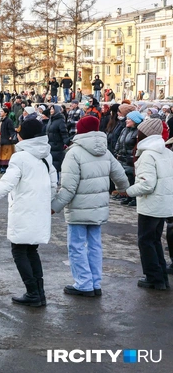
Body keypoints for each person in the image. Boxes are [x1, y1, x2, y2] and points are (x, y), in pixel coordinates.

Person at [51, 116, 130, 297]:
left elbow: (69, 188)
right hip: (98, 207)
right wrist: (124, 190)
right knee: (95, 245)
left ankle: (83, 283)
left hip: (79, 208)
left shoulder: (74, 153)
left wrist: (54, 206)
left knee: (77, 246)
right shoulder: (105, 151)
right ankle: (95, 282)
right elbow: (120, 175)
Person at [0, 119, 58, 307]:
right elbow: (53, 183)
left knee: (19, 250)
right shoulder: (46, 155)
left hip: (23, 210)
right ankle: (39, 292)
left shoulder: (20, 157)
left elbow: (7, 183)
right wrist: (46, 201)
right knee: (31, 250)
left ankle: (32, 292)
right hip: (39, 209)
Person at [126, 119, 173, 291]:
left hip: (151, 204)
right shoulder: (167, 152)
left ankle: (153, 277)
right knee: (154, 240)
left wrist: (128, 191)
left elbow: (147, 184)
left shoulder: (148, 155)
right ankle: (160, 278)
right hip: (164, 204)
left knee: (146, 241)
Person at [115, 110, 142, 206]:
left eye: (129, 119)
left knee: (132, 179)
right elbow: (119, 141)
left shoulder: (138, 131)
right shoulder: (125, 129)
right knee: (126, 178)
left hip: (131, 159)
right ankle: (128, 196)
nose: (126, 121)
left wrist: (131, 156)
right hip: (122, 157)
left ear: (135, 120)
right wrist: (117, 151)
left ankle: (134, 198)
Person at [46, 105, 69, 179]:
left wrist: (66, 142)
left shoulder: (60, 120)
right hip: (50, 145)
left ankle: (56, 181)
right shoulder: (51, 119)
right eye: (51, 109)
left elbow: (64, 132)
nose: (51, 110)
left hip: (57, 145)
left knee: (56, 165)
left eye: (53, 109)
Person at [0, 107, 16, 174]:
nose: (0, 113)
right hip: (1, 138)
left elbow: (11, 129)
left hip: (7, 139)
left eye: (2, 111)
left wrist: (11, 136)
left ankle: (5, 167)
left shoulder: (8, 121)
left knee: (7, 154)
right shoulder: (1, 120)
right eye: (0, 111)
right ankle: (1, 166)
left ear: (5, 113)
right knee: (1, 153)